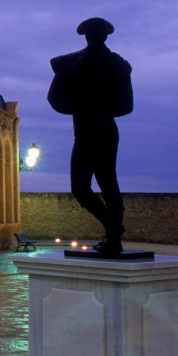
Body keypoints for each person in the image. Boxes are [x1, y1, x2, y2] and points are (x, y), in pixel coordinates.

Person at [47, 18, 133, 256]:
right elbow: (126, 106)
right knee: (109, 183)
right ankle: (113, 240)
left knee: (81, 188)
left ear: (86, 37)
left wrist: (81, 106)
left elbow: (54, 99)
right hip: (108, 127)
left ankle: (113, 228)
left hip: (85, 128)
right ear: (105, 37)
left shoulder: (73, 63)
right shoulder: (118, 65)